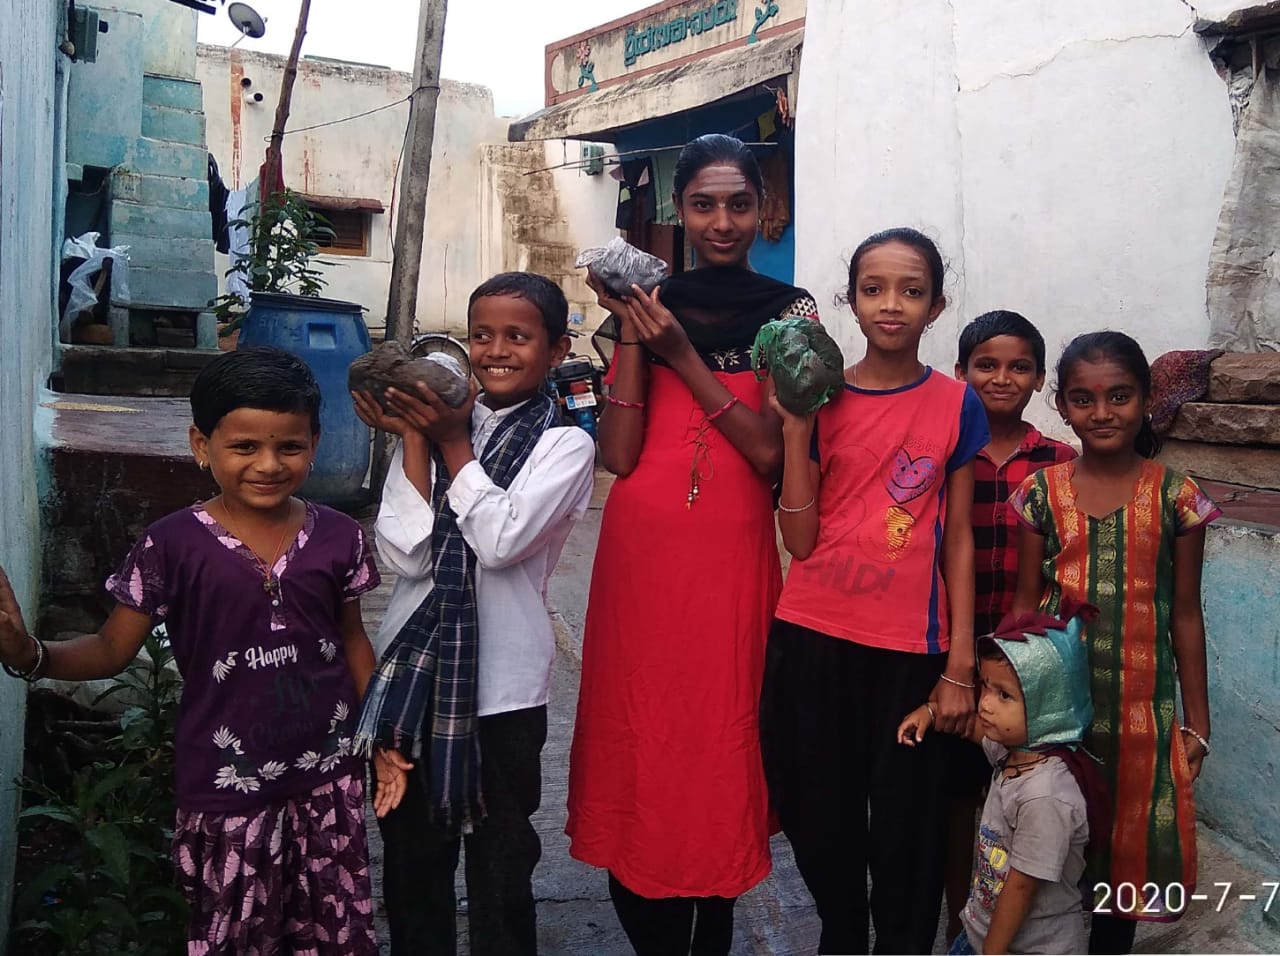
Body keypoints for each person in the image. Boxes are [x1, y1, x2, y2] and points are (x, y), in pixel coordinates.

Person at [0, 347, 393, 954]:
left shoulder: (339, 536)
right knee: (236, 934)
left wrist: (381, 741)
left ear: (314, 441)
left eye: (289, 446)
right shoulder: (171, 546)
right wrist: (29, 653)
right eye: (244, 447)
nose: (268, 464)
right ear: (201, 445)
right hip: (227, 793)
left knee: (329, 932)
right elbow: (110, 649)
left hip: (326, 785)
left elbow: (351, 639)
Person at [566, 133, 820, 956]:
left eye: (739, 204)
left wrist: (682, 351)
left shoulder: (792, 312)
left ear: (763, 208)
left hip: (731, 549)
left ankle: (711, 916)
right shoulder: (647, 297)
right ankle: (644, 896)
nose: (723, 221)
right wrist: (635, 332)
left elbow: (772, 453)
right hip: (641, 552)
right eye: (704, 204)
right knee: (638, 726)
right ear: (679, 210)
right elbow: (621, 455)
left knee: (719, 730)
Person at [352, 272, 596, 956]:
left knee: (501, 865)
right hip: (414, 680)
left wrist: (453, 442)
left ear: (555, 350)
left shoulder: (565, 446)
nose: (496, 350)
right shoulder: (437, 422)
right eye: (481, 335)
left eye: (518, 336)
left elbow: (500, 541)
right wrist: (418, 437)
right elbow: (405, 554)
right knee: (412, 862)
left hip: (506, 689)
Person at [762, 227, 990, 954]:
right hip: (811, 636)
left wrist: (958, 666)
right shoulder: (818, 396)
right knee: (814, 812)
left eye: (911, 290)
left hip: (909, 655)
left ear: (936, 305)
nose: (892, 304)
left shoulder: (957, 405)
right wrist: (797, 430)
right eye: (874, 289)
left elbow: (957, 537)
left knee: (908, 833)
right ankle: (840, 931)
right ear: (852, 302)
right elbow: (798, 540)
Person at [1010, 331, 1220, 955]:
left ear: (1148, 399)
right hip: (1056, 716)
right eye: (1083, 399)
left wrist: (1197, 724)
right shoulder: (1041, 494)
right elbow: (1024, 609)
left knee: (1125, 856)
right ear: (1063, 405)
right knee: (1052, 847)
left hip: (1140, 719)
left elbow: (1186, 615)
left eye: (1120, 396)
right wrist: (1013, 708)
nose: (1102, 414)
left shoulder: (1179, 497)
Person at [944, 310, 1078, 939]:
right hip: (946, 655)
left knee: (1021, 806)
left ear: (1038, 379)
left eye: (1019, 366)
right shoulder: (943, 453)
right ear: (960, 372)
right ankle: (959, 924)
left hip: (1025, 673)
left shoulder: (1059, 463)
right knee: (954, 801)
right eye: (986, 365)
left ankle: (1021, 929)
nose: (1002, 378)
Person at [897, 602, 1103, 955]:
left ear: (1046, 705)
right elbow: (970, 726)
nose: (986, 704)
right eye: (987, 688)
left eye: (1004, 695)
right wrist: (931, 711)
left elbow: (1022, 887)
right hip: (980, 934)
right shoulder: (1016, 753)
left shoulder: (1045, 796)